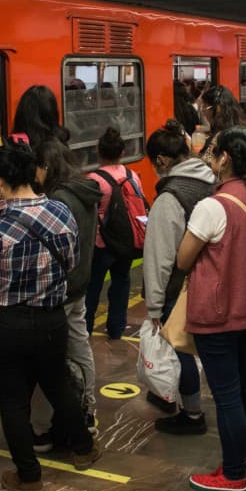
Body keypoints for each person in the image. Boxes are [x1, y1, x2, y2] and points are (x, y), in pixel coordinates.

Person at [0, 144, 101, 491]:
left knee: (13, 401)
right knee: (58, 384)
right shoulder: (61, 213)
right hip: (52, 320)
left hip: (5, 325)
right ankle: (84, 449)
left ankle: (29, 477)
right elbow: (70, 263)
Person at [176, 126, 246, 491]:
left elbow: (184, 258)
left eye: (213, 151)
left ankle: (233, 474)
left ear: (226, 159)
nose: (208, 156)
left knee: (226, 393)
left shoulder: (212, 206)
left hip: (216, 313)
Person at [142, 120, 216, 432]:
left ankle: (193, 414)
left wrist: (155, 307)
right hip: (211, 280)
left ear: (161, 160)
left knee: (177, 345)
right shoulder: (212, 181)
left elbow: (160, 258)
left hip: (180, 286)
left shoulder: (169, 198)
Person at [30, 138, 102, 444]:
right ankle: (88, 409)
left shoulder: (58, 200)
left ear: (46, 167)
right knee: (81, 347)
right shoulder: (84, 190)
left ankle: (55, 422)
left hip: (59, 290)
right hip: (81, 283)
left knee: (51, 361)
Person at [84, 127, 146, 339]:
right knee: (121, 282)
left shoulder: (94, 179)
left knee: (93, 286)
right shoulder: (132, 176)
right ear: (122, 153)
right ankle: (117, 328)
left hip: (101, 242)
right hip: (125, 240)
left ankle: (86, 328)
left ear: (99, 153)